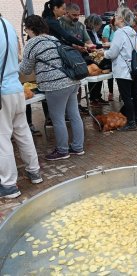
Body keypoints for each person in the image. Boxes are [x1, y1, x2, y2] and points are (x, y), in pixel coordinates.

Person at [20, 15, 85, 161]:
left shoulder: (32, 43)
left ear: (31, 28)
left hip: (55, 84)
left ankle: (62, 150)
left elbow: (25, 69)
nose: (26, 32)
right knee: (74, 114)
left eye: (26, 29)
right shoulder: (53, 39)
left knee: (58, 118)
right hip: (72, 80)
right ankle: (78, 147)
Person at [0, 15, 43, 198]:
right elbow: (17, 53)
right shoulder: (7, 24)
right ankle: (34, 172)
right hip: (16, 88)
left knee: (2, 138)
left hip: (3, 91)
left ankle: (9, 185)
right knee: (23, 132)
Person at [103, 7, 137, 131]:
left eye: (116, 15)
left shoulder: (120, 32)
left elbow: (113, 53)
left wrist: (103, 54)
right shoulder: (132, 31)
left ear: (121, 19)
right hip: (134, 69)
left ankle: (131, 123)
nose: (114, 17)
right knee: (135, 95)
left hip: (123, 70)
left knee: (126, 97)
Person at [85, 14, 109, 107]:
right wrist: (104, 45)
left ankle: (97, 96)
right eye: (98, 25)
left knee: (99, 76)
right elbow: (93, 45)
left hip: (96, 57)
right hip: (91, 58)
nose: (100, 27)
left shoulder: (94, 32)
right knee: (94, 77)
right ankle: (93, 98)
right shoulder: (88, 32)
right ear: (94, 24)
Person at [101, 16, 117, 101]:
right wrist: (114, 45)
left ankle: (121, 92)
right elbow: (105, 42)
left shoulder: (119, 29)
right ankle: (111, 92)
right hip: (109, 53)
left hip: (117, 54)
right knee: (110, 74)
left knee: (118, 74)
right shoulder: (107, 28)